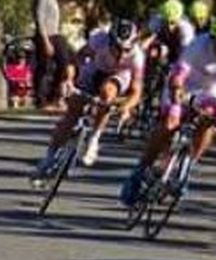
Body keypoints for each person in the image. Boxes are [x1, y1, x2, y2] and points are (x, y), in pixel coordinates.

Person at [122, 14, 216, 204]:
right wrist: (177, 92)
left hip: (211, 89)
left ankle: (186, 167)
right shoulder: (199, 45)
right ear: (214, 40)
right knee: (169, 123)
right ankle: (140, 170)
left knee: (209, 118)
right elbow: (178, 75)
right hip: (186, 85)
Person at [31, 19, 146, 183]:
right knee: (72, 112)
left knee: (107, 94)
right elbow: (76, 59)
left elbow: (136, 91)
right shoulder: (99, 39)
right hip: (95, 70)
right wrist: (68, 80)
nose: (121, 54)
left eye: (125, 50)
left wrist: (126, 108)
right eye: (116, 49)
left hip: (119, 77)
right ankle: (49, 156)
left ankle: (94, 138)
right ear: (110, 40)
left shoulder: (137, 57)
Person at [32, 0, 69, 109]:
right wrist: (45, 41)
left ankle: (54, 96)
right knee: (43, 67)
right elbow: (39, 19)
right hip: (46, 35)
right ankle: (41, 100)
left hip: (56, 34)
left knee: (64, 63)